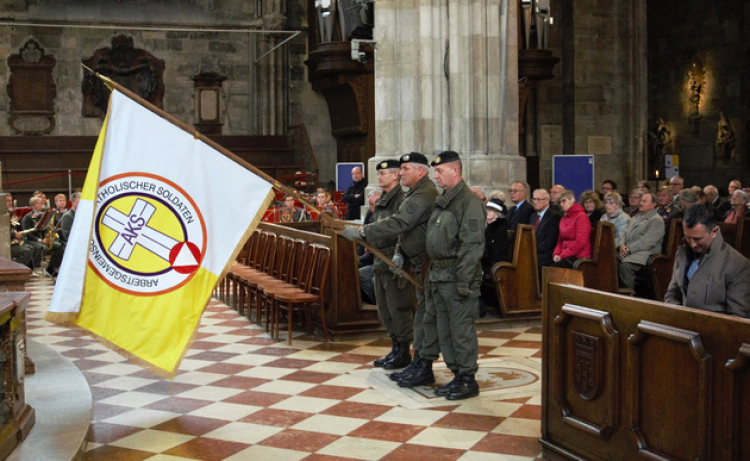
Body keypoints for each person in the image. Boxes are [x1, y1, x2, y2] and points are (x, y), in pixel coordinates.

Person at [399, 150, 484, 401]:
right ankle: (457, 375)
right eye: (435, 172)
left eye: (440, 171)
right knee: (443, 329)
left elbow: (473, 246)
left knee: (460, 330)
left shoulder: (468, 202)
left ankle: (467, 378)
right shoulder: (444, 200)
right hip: (437, 274)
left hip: (456, 276)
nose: (436, 176)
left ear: (455, 171)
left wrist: (464, 281)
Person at [342, 159, 414, 369]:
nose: (380, 177)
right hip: (378, 260)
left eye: (384, 173)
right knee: (384, 309)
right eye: (379, 174)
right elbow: (374, 226)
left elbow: (401, 230)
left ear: (395, 176)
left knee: (398, 308)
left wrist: (399, 255)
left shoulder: (402, 199)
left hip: (393, 262)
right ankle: (395, 347)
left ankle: (403, 351)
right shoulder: (382, 199)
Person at [664, 204, 750, 318]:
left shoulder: (738, 265)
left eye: (698, 239)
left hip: (714, 331)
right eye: (688, 237)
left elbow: (737, 318)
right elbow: (672, 294)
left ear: (714, 231)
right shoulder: (682, 253)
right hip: (682, 326)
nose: (692, 244)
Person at [618, 192, 664, 293]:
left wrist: (628, 249)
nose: (641, 203)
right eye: (641, 201)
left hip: (646, 252)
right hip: (629, 250)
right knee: (610, 261)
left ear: (653, 204)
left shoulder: (656, 220)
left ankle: (630, 296)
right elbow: (623, 234)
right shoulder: (635, 218)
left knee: (625, 266)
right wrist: (621, 245)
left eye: (644, 201)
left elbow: (647, 241)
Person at [22, 196, 64, 276]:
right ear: (32, 206)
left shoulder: (43, 215)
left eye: (41, 203)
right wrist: (39, 240)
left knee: (58, 246)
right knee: (41, 247)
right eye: (37, 203)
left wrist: (46, 237)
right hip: (31, 240)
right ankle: (37, 268)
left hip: (43, 239)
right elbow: (27, 233)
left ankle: (52, 267)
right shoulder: (27, 217)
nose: (40, 205)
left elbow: (45, 228)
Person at [480, 198, 509, 311]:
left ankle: (479, 307)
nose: (487, 212)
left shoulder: (500, 229)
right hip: (484, 262)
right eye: (487, 209)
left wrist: (484, 268)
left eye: (491, 210)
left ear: (497, 214)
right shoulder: (486, 227)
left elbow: (498, 253)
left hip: (494, 265)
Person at [552, 190, 591, 268]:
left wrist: (562, 255)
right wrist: (556, 254)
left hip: (579, 256)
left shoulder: (581, 217)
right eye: (560, 202)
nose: (561, 204)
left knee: (555, 269)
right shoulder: (563, 219)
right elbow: (560, 241)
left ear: (572, 200)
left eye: (564, 201)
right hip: (565, 255)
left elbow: (580, 242)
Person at [530, 188, 560, 270]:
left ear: (547, 201)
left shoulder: (554, 217)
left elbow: (550, 241)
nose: (535, 202)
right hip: (533, 253)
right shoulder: (533, 216)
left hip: (545, 255)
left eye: (538, 199)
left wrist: (533, 249)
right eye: (534, 199)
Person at [6, 194, 32, 268]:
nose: (10, 203)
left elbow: (14, 229)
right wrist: (14, 234)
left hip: (13, 241)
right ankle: (14, 268)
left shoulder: (11, 213)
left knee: (31, 248)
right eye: (7, 201)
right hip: (5, 244)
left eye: (11, 200)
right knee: (27, 252)